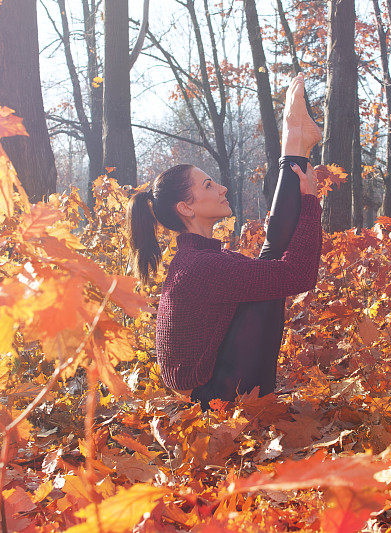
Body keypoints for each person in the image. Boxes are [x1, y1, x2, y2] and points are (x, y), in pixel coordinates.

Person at [126, 72, 322, 409]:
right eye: (207, 186)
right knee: (271, 281)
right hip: (214, 399)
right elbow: (298, 276)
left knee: (268, 271)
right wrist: (310, 204)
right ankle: (294, 145)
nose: (222, 189)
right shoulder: (201, 267)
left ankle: (296, 145)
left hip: (213, 385)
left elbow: (277, 266)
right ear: (185, 208)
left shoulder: (197, 261)